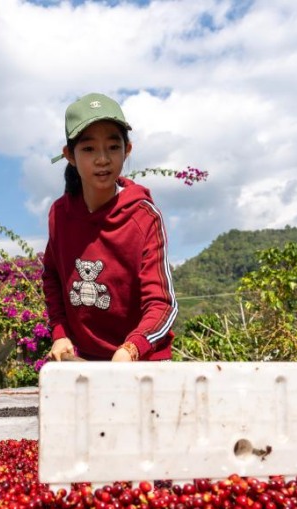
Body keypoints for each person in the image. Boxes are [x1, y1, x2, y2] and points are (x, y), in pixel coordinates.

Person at [42, 93, 178, 362]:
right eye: (89, 149)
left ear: (127, 150)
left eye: (113, 147)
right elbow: (52, 278)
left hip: (143, 362)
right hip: (87, 362)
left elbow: (162, 304)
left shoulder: (144, 216)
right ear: (69, 155)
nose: (102, 159)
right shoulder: (60, 214)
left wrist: (131, 349)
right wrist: (59, 333)